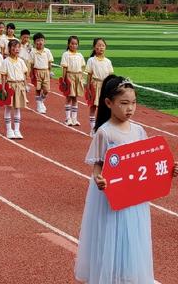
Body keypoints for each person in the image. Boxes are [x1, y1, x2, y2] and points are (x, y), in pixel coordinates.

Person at [74, 75, 178, 284]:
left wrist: (169, 169)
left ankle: (128, 276)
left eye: (133, 103)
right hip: (110, 197)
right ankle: (108, 275)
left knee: (133, 237)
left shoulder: (139, 131)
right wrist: (99, 179)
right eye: (124, 103)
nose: (130, 108)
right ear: (108, 103)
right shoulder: (104, 132)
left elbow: (148, 162)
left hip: (134, 198)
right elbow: (97, 165)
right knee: (110, 234)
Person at [85, 38, 114, 134]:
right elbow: (89, 75)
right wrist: (88, 87)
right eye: (99, 45)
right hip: (95, 85)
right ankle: (93, 128)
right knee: (93, 106)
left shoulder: (108, 61)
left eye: (103, 46)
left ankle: (103, 128)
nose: (101, 47)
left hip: (105, 86)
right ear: (94, 47)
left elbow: (110, 76)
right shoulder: (91, 60)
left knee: (105, 107)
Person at [1, 39, 28, 139]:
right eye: (13, 47)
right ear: (9, 49)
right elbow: (3, 76)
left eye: (18, 47)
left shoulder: (21, 61)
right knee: (8, 107)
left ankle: (17, 129)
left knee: (17, 108)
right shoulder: (5, 61)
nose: (16, 49)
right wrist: (3, 88)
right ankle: (9, 129)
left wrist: (25, 86)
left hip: (19, 85)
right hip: (10, 85)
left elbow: (24, 74)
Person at [60, 35, 86, 126]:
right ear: (68, 44)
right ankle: (68, 118)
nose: (74, 45)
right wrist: (63, 79)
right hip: (69, 76)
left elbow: (82, 67)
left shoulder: (80, 55)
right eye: (72, 43)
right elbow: (64, 68)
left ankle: (74, 118)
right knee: (69, 97)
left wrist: (81, 78)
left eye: (76, 44)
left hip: (78, 76)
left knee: (75, 98)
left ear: (78, 45)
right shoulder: (66, 54)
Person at [30, 32, 54, 114]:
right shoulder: (33, 52)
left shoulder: (47, 51)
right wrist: (32, 74)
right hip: (37, 71)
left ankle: (41, 101)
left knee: (46, 90)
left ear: (44, 41)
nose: (40, 42)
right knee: (38, 89)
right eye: (38, 40)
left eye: (41, 40)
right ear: (34, 42)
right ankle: (39, 105)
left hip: (46, 71)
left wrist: (50, 71)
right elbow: (32, 64)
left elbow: (50, 62)